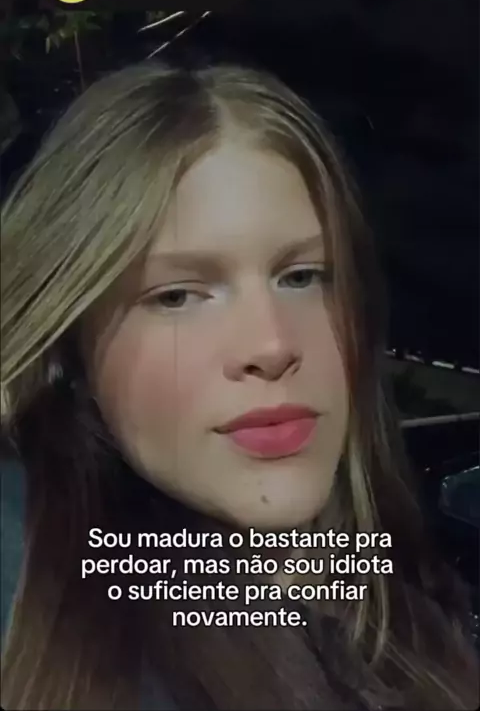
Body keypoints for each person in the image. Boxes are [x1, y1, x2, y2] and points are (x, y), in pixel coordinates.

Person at [0, 61, 477, 711]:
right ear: (69, 344)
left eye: (302, 277)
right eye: (177, 296)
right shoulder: (33, 581)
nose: (271, 345)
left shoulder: (402, 595)